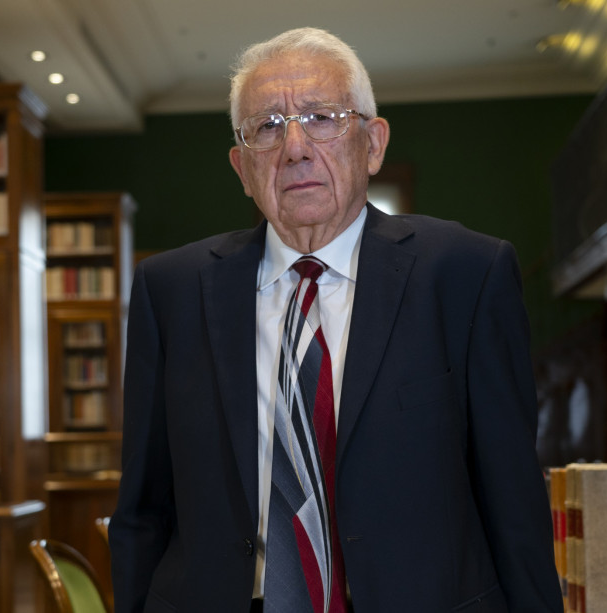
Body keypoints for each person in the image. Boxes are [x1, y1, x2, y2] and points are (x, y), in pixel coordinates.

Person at [110, 27, 562, 613]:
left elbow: (514, 501)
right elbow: (142, 508)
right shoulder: (169, 290)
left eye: (322, 117)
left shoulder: (467, 274)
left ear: (373, 144)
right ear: (241, 167)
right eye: (267, 127)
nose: (295, 147)